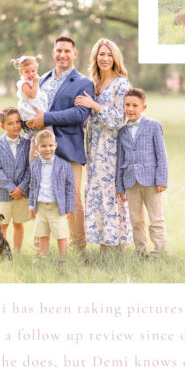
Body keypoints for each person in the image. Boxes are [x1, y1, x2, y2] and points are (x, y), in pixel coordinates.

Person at [25, 35, 94, 251]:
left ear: (75, 54)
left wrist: (46, 118)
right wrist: (28, 122)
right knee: (39, 194)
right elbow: (30, 106)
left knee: (72, 198)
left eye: (67, 50)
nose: (62, 54)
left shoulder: (84, 82)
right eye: (58, 50)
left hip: (68, 147)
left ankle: (78, 249)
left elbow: (80, 112)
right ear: (53, 53)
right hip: (38, 146)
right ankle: (41, 249)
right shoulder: (42, 79)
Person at [76, 38, 132, 251]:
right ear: (95, 57)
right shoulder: (93, 83)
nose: (105, 58)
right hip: (94, 147)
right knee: (96, 192)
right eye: (101, 54)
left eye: (109, 54)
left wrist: (95, 106)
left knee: (112, 193)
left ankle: (118, 246)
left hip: (112, 148)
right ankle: (103, 245)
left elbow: (120, 119)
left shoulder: (122, 83)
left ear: (115, 58)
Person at [115, 88, 169, 257]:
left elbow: (161, 154)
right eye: (127, 105)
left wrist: (162, 179)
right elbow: (119, 161)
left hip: (151, 180)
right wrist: (119, 187)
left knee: (156, 217)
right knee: (136, 220)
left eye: (135, 105)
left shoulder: (153, 125)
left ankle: (159, 251)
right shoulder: (122, 132)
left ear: (143, 107)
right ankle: (140, 251)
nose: (130, 109)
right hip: (130, 182)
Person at [25, 130, 75, 263]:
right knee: (42, 234)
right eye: (43, 146)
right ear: (37, 148)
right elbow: (33, 186)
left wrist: (69, 207)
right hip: (41, 206)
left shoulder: (64, 165)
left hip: (57, 207)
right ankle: (43, 257)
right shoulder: (34, 165)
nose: (47, 149)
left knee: (61, 234)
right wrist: (31, 205)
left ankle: (63, 258)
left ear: (55, 145)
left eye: (50, 145)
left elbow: (70, 187)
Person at [0, 107, 33, 253]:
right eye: (10, 123)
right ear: (3, 126)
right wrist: (11, 188)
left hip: (22, 194)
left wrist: (21, 188)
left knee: (19, 224)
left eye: (18, 122)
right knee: (3, 225)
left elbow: (29, 168)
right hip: (3, 194)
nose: (15, 126)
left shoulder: (27, 143)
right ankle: (2, 251)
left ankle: (17, 252)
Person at [11, 54, 49, 123]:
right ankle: (30, 133)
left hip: (36, 106)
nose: (31, 74)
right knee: (34, 125)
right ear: (21, 72)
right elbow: (32, 95)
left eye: (33, 71)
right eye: (27, 72)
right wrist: (35, 83)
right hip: (29, 110)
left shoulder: (33, 80)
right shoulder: (24, 84)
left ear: (36, 70)